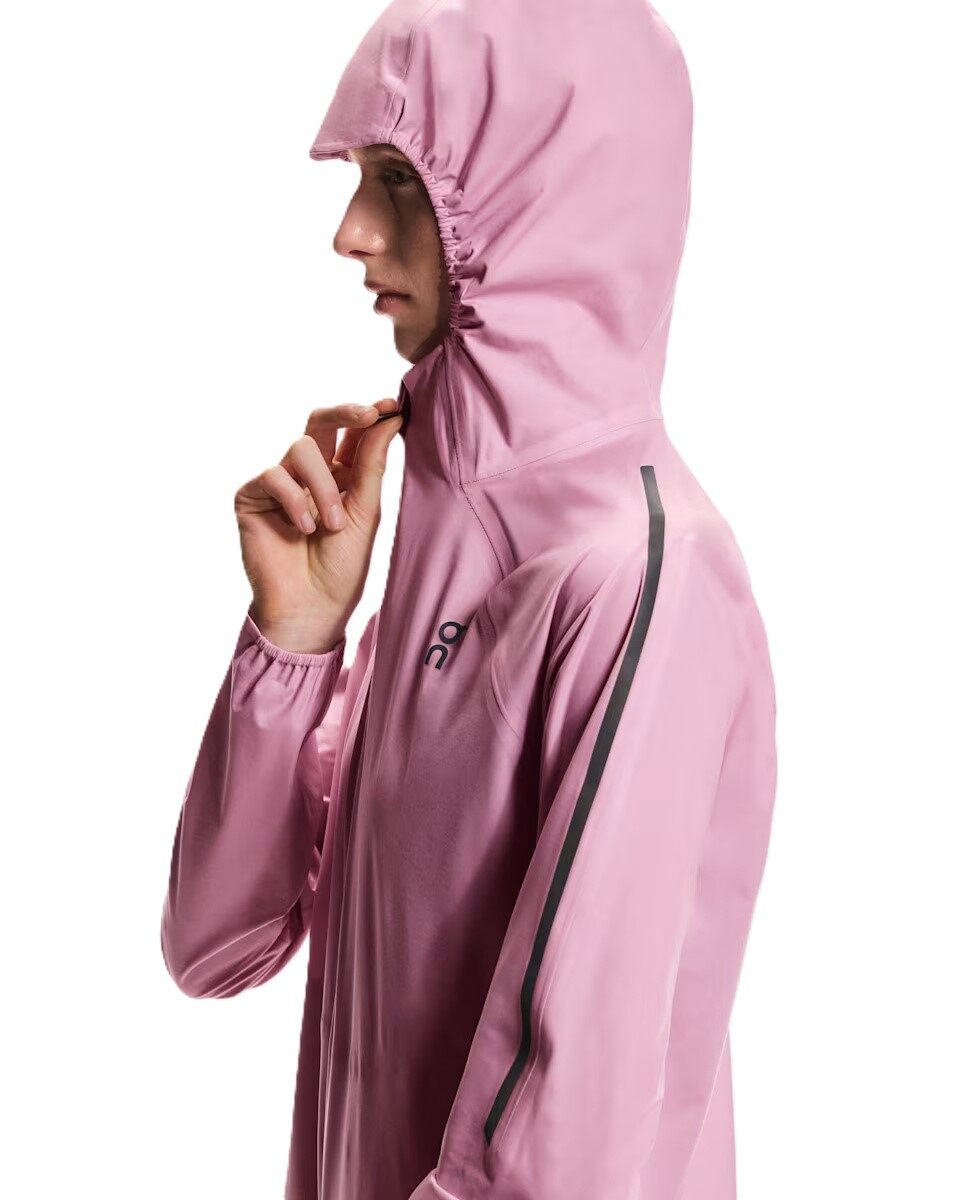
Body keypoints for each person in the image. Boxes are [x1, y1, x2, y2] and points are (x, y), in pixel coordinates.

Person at [160, 2, 778, 1199]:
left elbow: (559, 1151)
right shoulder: (442, 534)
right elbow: (215, 944)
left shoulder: (643, 582)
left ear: (546, 201)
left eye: (397, 180)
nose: (350, 231)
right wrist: (297, 640)